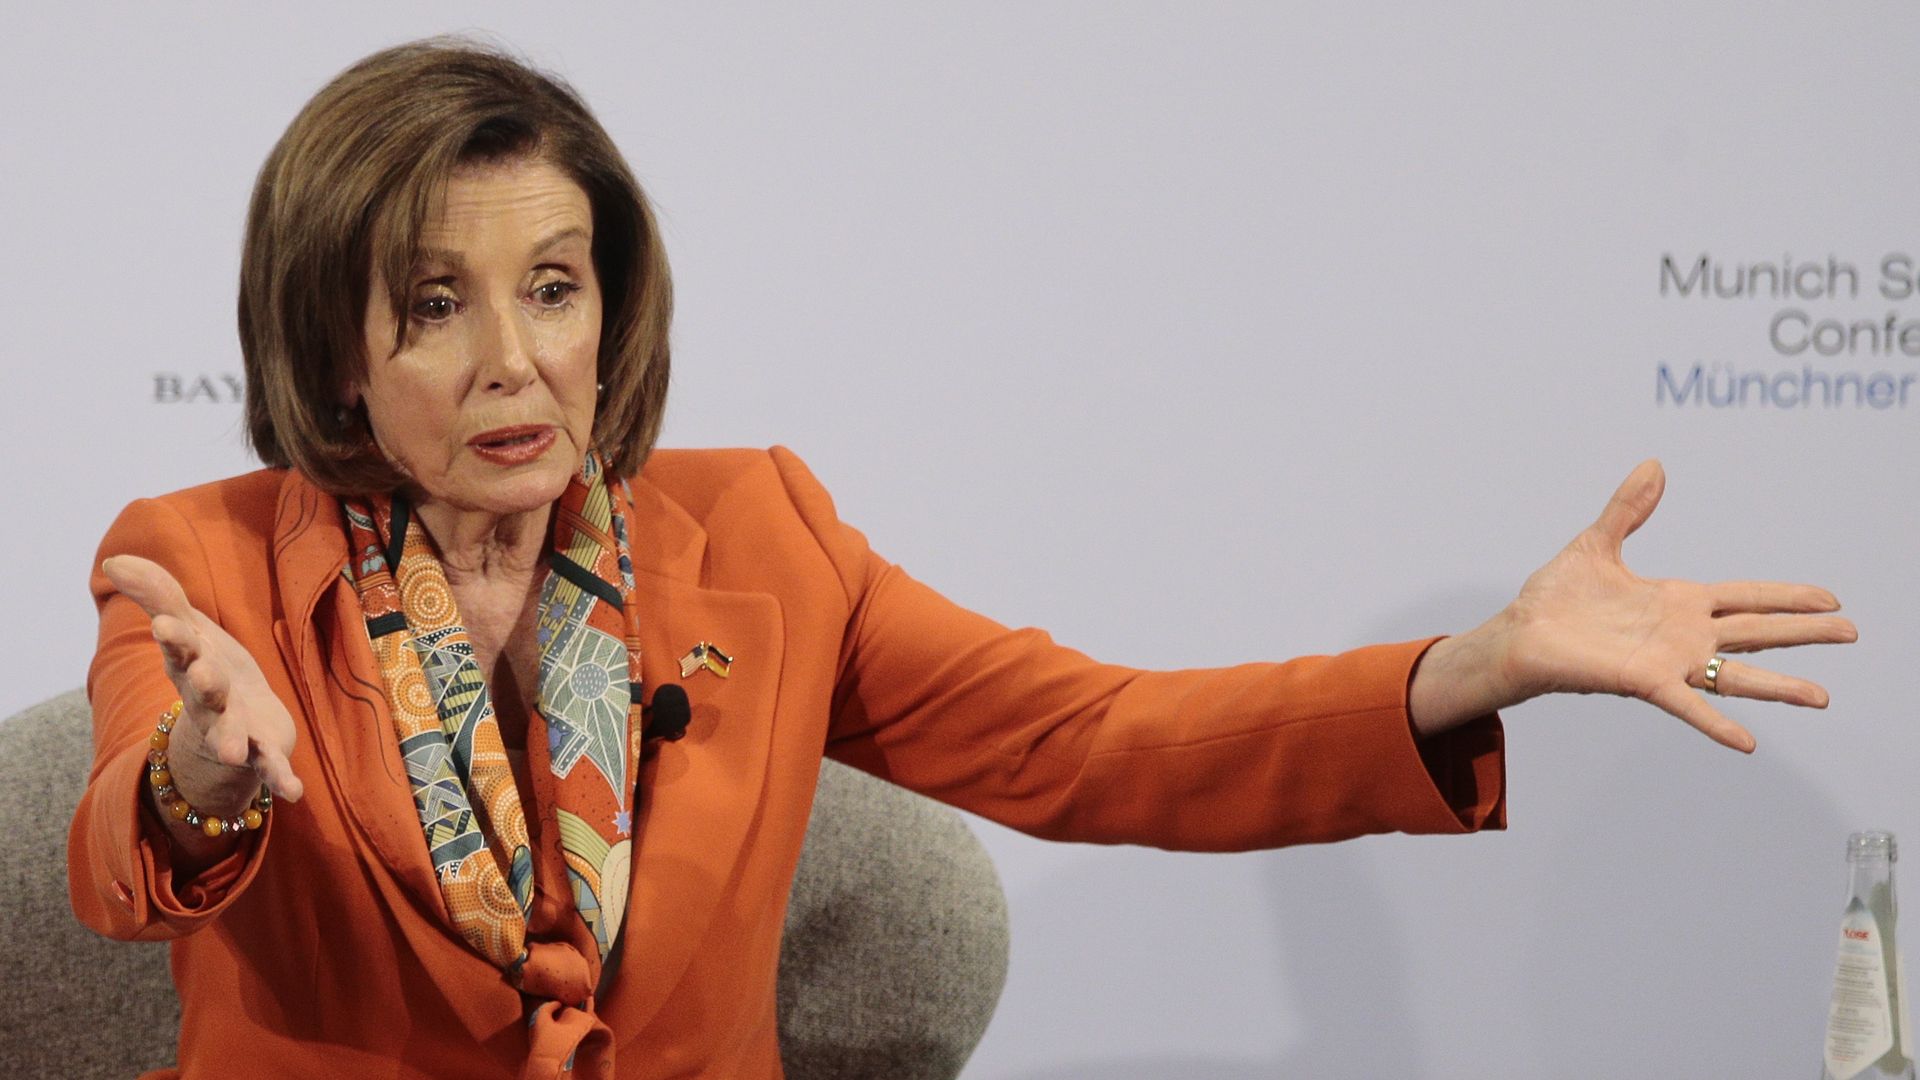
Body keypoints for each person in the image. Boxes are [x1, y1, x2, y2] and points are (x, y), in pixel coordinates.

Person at [69, 37, 1857, 1080]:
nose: (517, 361)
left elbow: (1095, 741)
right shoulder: (198, 564)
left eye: (553, 287)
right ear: (332, 345)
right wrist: (203, 787)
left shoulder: (755, 535)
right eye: (435, 307)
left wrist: (1473, 665)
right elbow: (114, 869)